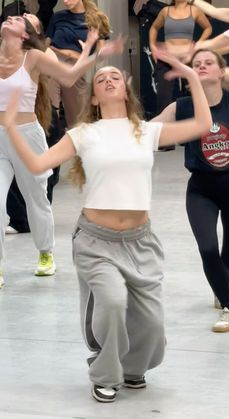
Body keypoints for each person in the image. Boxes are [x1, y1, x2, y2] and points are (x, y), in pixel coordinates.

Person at [2, 49, 212, 400]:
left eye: (115, 76)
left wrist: (192, 77)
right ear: (95, 98)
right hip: (96, 242)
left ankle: (133, 368)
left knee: (153, 327)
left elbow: (203, 126)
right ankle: (105, 373)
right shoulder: (84, 133)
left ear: (126, 91)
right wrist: (10, 128)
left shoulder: (146, 131)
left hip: (140, 241)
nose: (109, 79)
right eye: (101, 79)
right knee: (112, 304)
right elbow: (39, 165)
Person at [0, 14, 125, 290]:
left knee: (36, 198)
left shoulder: (33, 57)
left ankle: (45, 252)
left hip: (26, 137)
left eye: (19, 18)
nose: (10, 16)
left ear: (24, 34)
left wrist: (95, 52)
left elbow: (69, 78)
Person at [153, 48, 229, 333]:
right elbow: (147, 131)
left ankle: (220, 279)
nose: (201, 66)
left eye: (208, 63)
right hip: (201, 188)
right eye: (196, 63)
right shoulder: (182, 106)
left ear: (221, 71)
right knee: (208, 248)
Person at [6, 13, 61, 235]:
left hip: (40, 117)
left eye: (26, 18)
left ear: (32, 32)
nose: (18, 17)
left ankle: (36, 218)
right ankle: (20, 219)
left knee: (41, 176)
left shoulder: (40, 55)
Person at [46, 0, 111, 128]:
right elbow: (45, 45)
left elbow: (100, 55)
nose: (65, 1)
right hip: (53, 62)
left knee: (77, 118)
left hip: (77, 66)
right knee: (49, 111)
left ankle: (78, 146)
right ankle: (50, 145)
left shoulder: (96, 18)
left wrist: (73, 54)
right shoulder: (57, 17)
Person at [149, 0, 212, 115]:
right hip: (167, 59)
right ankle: (165, 129)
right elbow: (154, 28)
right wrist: (153, 47)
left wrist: (198, 45)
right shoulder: (165, 11)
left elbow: (208, 27)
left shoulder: (195, 10)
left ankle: (198, 127)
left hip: (187, 59)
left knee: (195, 94)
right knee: (163, 99)